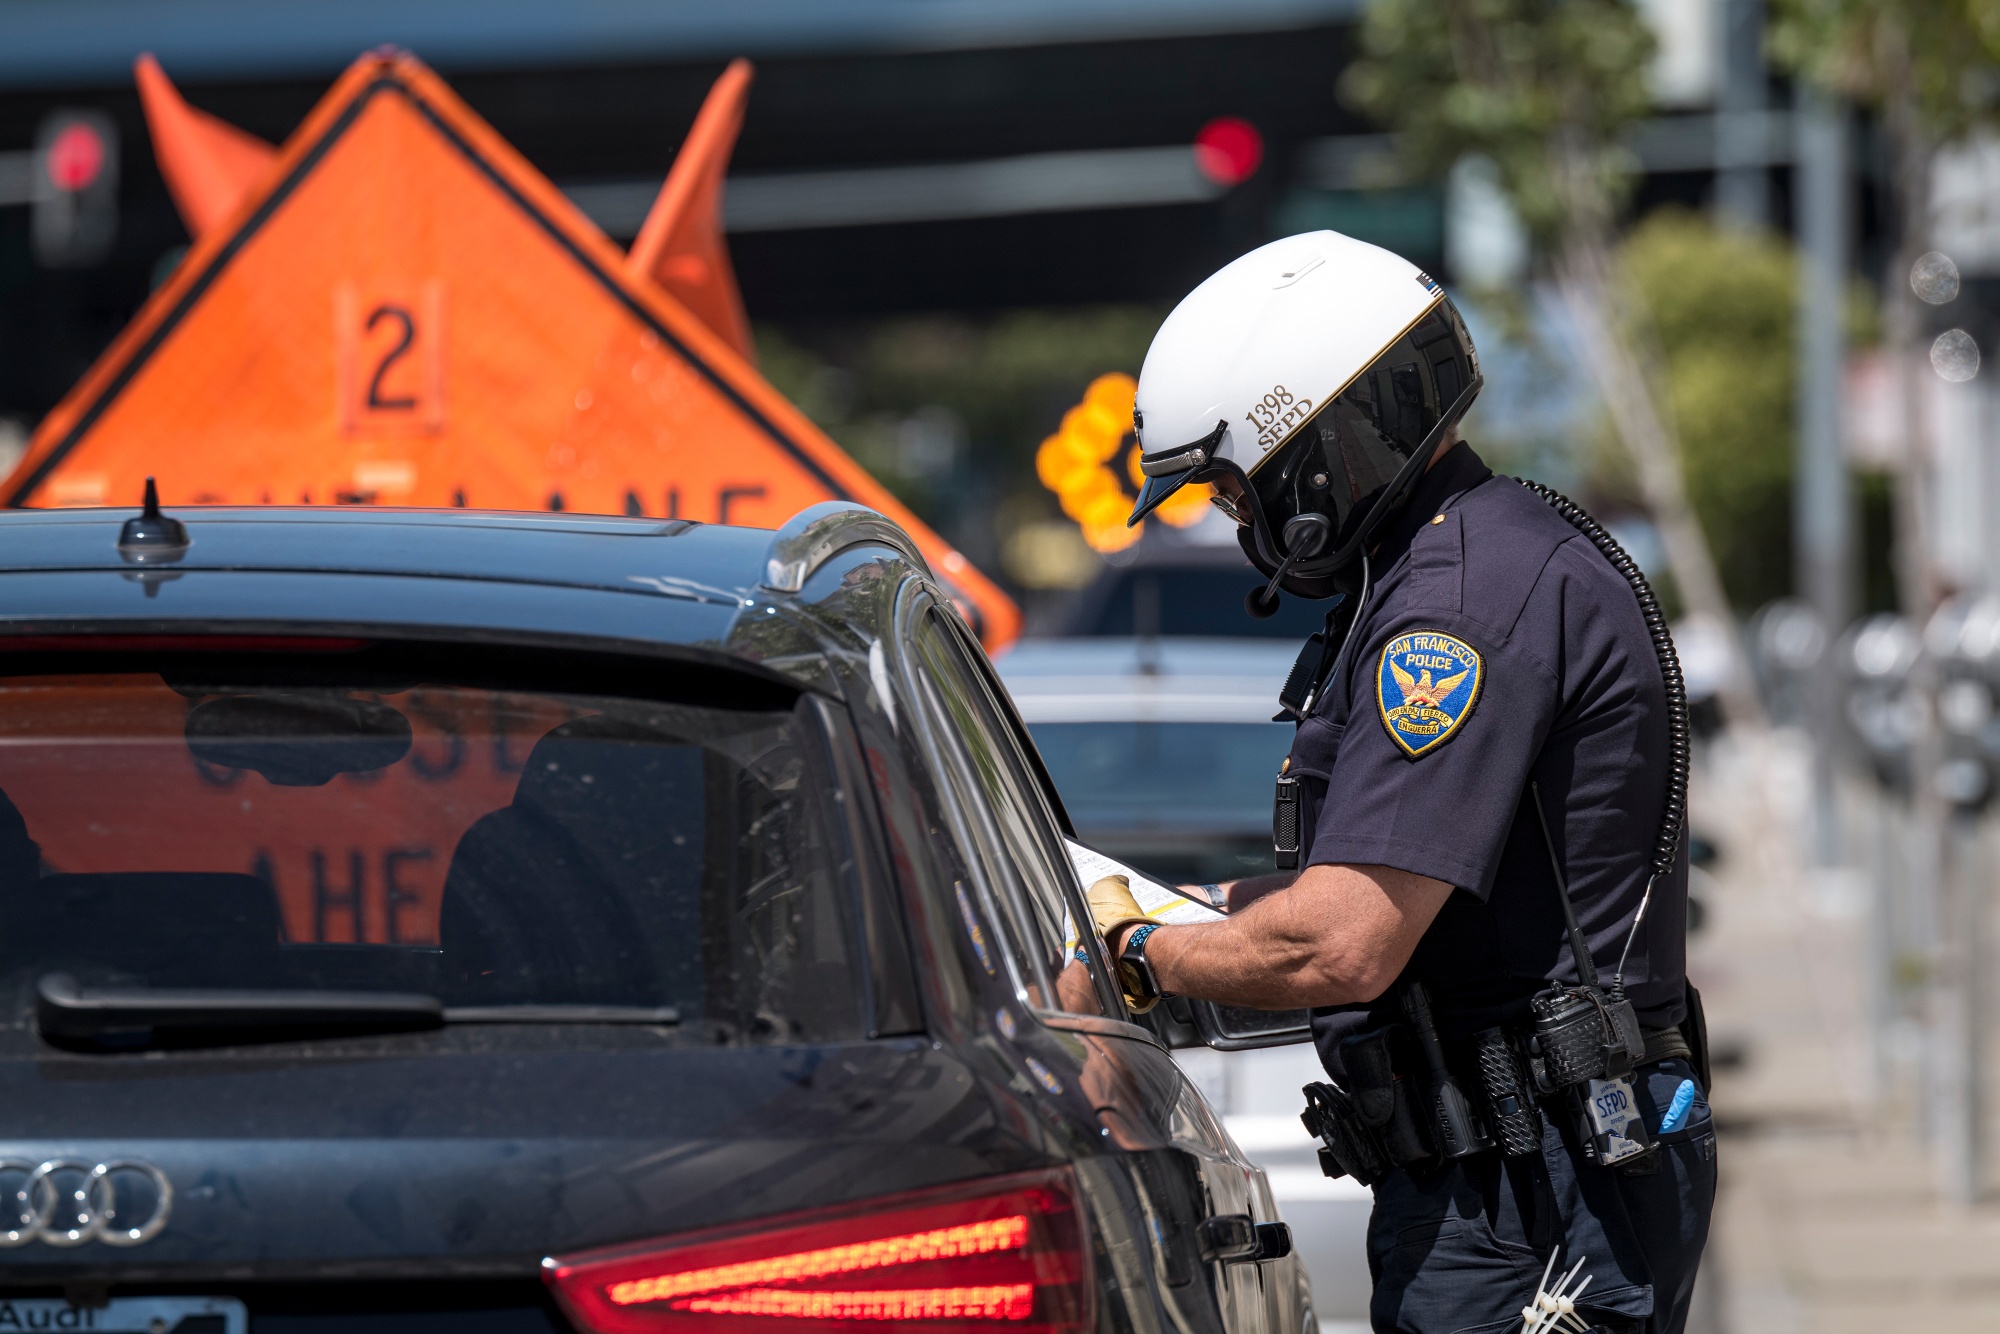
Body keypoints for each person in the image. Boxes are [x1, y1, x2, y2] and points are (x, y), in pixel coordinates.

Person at [1088, 230, 1713, 1334]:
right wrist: (1210, 910)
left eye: (1239, 487)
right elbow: (1408, 885)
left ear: (1319, 449)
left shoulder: (1451, 612)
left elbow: (1343, 941)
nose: (1242, 522)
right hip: (1518, 1173)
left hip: (1533, 1197)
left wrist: (1136, 951)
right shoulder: (1478, 554)